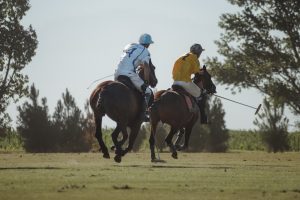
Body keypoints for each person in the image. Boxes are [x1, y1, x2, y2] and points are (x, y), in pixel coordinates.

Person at [114, 33, 154, 121]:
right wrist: (146, 81)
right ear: (148, 44)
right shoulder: (146, 52)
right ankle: (143, 114)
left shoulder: (130, 45)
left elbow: (130, 57)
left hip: (117, 73)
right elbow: (146, 66)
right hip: (129, 74)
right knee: (148, 92)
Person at [172, 43, 208, 124]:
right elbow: (197, 72)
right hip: (185, 82)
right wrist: (202, 72)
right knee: (201, 94)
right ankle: (202, 117)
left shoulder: (182, 56)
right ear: (198, 53)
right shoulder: (195, 58)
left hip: (175, 81)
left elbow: (186, 69)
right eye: (200, 53)